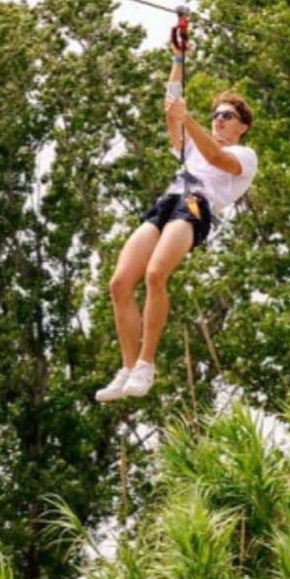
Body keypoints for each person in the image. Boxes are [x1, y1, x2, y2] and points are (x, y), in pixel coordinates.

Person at [95, 44, 258, 402]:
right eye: (216, 114)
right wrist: (178, 58)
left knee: (156, 274)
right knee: (120, 283)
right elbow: (172, 109)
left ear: (242, 127)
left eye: (227, 115)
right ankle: (126, 367)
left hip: (195, 206)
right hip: (167, 202)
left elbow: (215, 156)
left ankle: (146, 364)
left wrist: (188, 119)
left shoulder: (244, 156)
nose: (219, 119)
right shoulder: (192, 146)